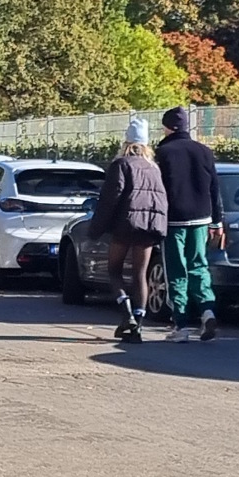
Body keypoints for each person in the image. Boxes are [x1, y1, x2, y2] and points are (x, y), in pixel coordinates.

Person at [92, 119, 169, 342]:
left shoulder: (121, 164)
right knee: (140, 274)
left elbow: (110, 198)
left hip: (125, 225)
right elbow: (161, 200)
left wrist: (98, 227)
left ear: (126, 142)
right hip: (148, 228)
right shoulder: (154, 168)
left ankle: (126, 313)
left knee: (114, 270)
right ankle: (138, 325)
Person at [154, 106, 224, 341]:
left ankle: (181, 325)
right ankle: (207, 310)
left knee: (176, 269)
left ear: (167, 127)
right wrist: (217, 220)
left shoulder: (163, 153)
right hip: (202, 218)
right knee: (199, 265)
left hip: (174, 218)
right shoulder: (204, 151)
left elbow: (158, 190)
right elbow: (215, 188)